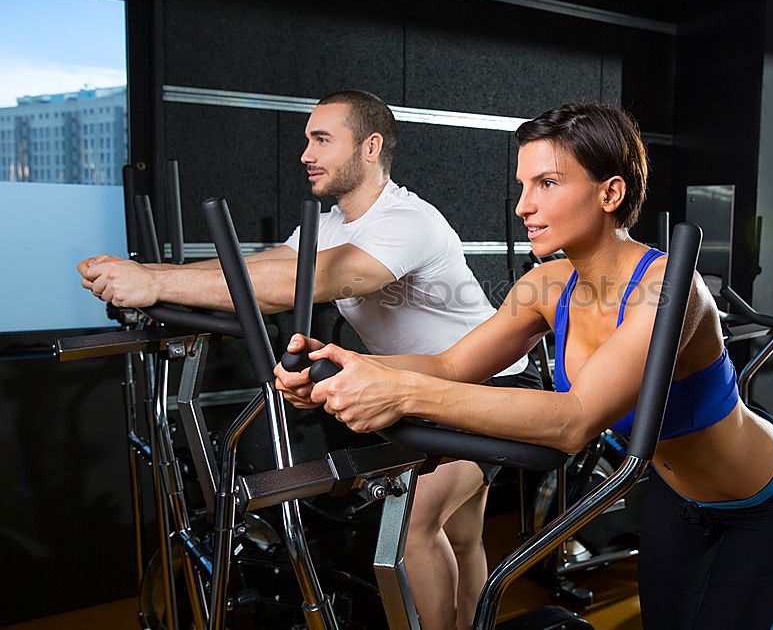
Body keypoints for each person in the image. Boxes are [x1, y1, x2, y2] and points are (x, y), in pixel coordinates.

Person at [276, 102, 773, 629]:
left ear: (611, 191)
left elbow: (575, 419)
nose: (523, 206)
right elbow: (450, 364)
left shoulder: (668, 289)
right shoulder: (546, 284)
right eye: (523, 186)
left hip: (769, 503)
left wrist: (398, 394)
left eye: (547, 184)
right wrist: (346, 366)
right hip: (677, 497)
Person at [77, 90, 541, 630]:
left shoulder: (409, 220)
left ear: (370, 147)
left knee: (413, 527)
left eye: (322, 139)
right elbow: (261, 266)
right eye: (306, 139)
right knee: (459, 535)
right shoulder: (330, 224)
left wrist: (154, 282)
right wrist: (151, 275)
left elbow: (308, 282)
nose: (305, 153)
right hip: (424, 388)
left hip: (492, 384)